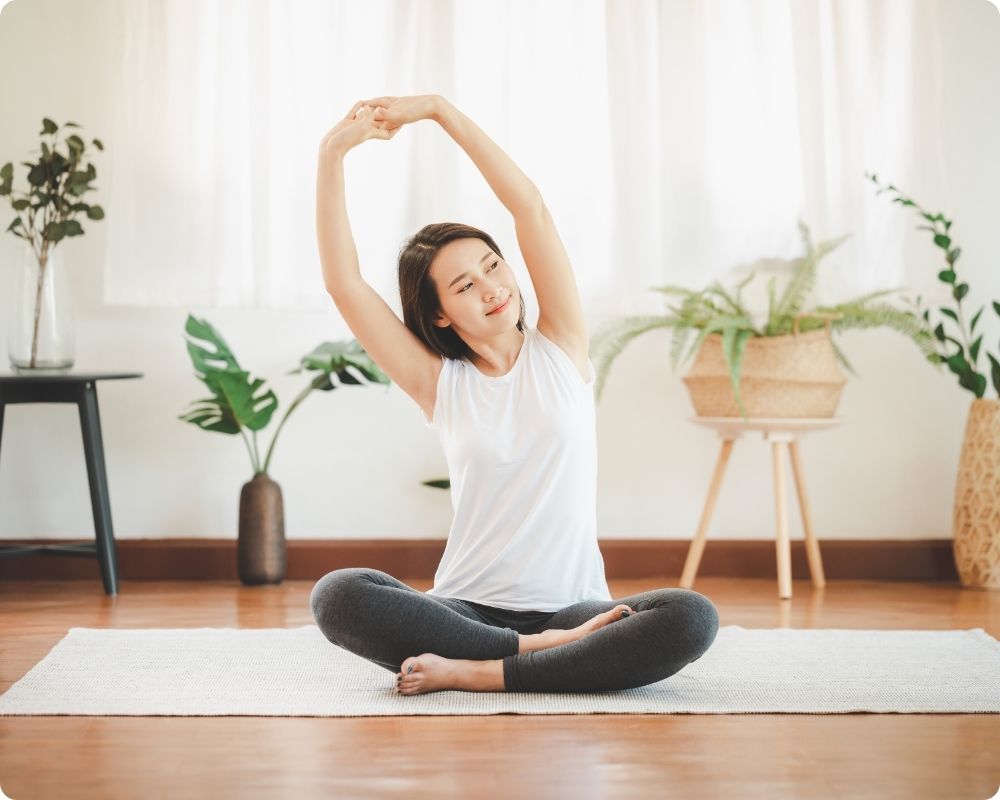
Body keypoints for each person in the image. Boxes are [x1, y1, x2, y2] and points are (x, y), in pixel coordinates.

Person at [310, 94, 719, 695]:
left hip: (575, 612)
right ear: (441, 316)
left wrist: (439, 111)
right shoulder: (440, 383)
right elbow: (343, 283)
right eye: (464, 285)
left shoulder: (562, 347)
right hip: (465, 610)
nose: (492, 288)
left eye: (493, 266)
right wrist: (332, 152)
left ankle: (479, 673)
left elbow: (530, 208)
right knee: (338, 595)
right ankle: (530, 657)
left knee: (691, 619)